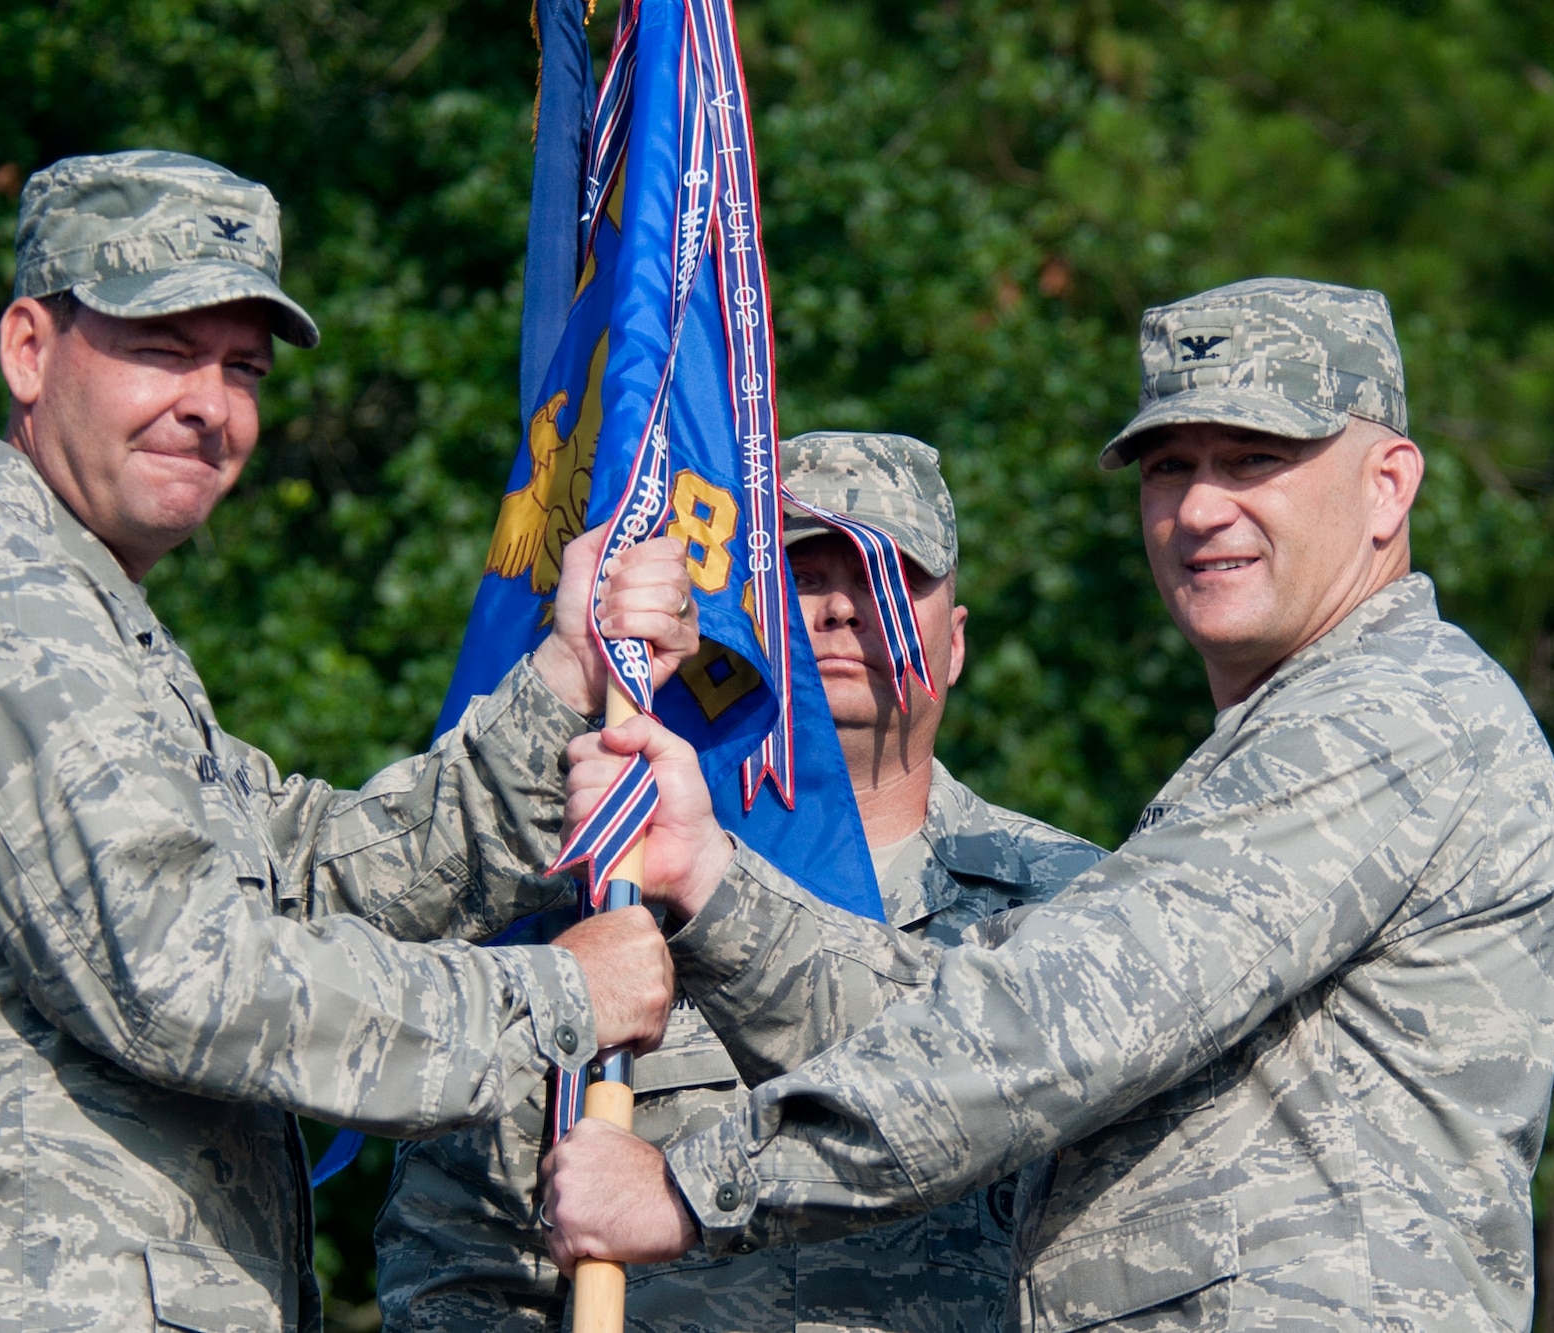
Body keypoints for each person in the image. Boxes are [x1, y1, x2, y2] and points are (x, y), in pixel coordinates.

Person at [0, 150, 694, 1333]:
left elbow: (309, 877)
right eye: (161, 349)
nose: (211, 405)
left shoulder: (87, 622)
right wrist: (556, 995)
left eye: (241, 368)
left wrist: (564, 676)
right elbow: (188, 979)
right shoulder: (3, 615)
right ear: (28, 352)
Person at [543, 278, 1554, 1331]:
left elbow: (1056, 1027)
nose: (1200, 506)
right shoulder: (1289, 736)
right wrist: (710, 883)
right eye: (1168, 467)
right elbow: (971, 1034)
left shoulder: (1388, 715)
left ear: (1386, 485)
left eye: (1253, 459)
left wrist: (684, 1187)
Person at [373, 433, 1105, 1332]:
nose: (840, 607)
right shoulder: (612, 886)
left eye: (887, 577)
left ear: (953, 645)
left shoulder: (1074, 909)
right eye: (802, 572)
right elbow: (460, 1244)